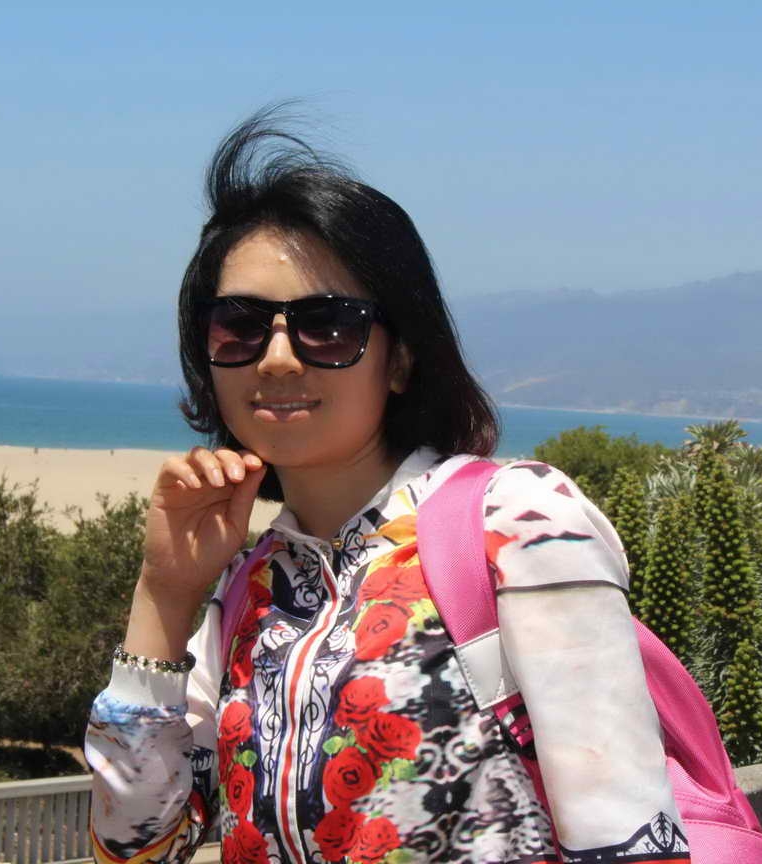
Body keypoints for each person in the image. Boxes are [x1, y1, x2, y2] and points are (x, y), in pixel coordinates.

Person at [85, 109, 691, 864]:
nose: (277, 358)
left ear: (400, 359)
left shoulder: (516, 521)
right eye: (239, 325)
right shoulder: (248, 587)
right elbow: (139, 847)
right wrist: (164, 594)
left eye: (327, 325)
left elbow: (626, 834)